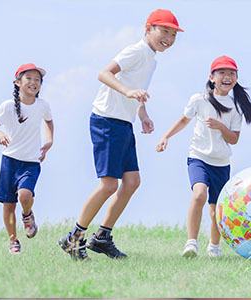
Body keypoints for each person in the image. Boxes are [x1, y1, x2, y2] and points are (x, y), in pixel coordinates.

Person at [58, 9, 184, 260]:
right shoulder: (136, 50)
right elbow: (103, 73)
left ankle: (102, 237)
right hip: (106, 121)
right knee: (108, 185)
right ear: (148, 29)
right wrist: (128, 92)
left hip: (123, 123)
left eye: (173, 34)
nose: (168, 38)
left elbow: (138, 91)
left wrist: (143, 114)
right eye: (164, 31)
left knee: (132, 182)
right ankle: (74, 238)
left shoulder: (152, 59)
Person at [156, 56, 251, 258]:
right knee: (199, 194)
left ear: (237, 78)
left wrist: (221, 126)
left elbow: (234, 139)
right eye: (221, 72)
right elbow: (183, 120)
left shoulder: (235, 107)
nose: (227, 77)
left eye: (231, 73)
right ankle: (191, 243)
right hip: (198, 158)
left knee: (216, 212)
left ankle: (214, 247)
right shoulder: (199, 100)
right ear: (212, 77)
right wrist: (165, 137)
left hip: (221, 164)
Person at [0, 63, 54, 254]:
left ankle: (27, 215)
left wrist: (49, 140)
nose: (34, 82)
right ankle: (13, 240)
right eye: (29, 78)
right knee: (9, 205)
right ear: (17, 82)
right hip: (9, 162)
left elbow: (49, 121)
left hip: (31, 162)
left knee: (24, 195)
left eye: (38, 80)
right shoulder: (8, 106)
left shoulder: (43, 106)